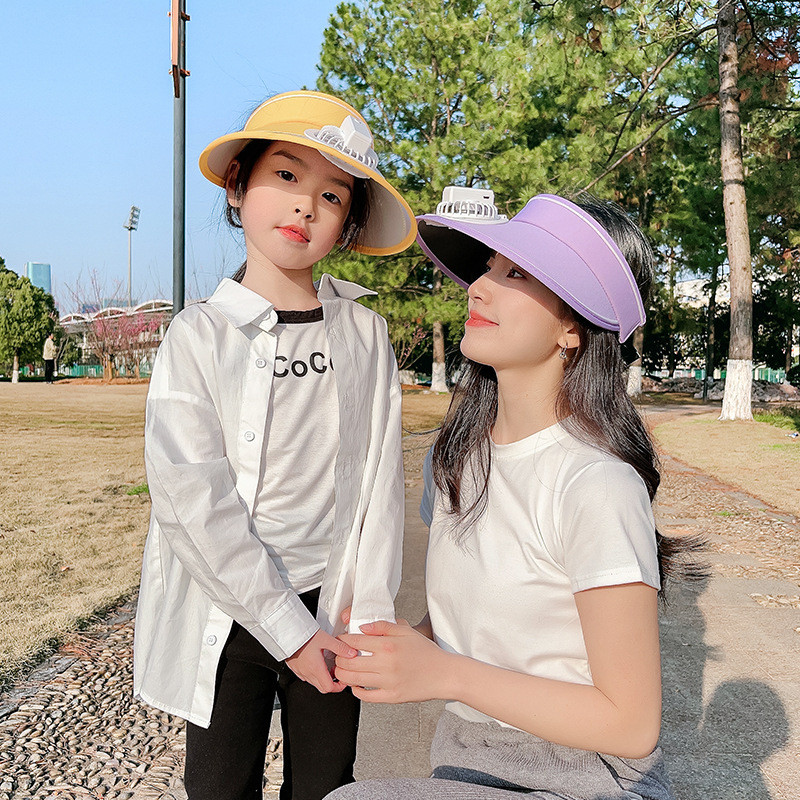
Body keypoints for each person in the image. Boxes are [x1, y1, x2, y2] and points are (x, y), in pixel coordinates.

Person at [327, 190, 699, 800]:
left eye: (516, 273)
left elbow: (630, 724)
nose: (477, 287)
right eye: (488, 268)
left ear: (573, 326)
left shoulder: (595, 485)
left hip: (587, 776)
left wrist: (446, 674)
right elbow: (473, 620)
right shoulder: (457, 460)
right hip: (466, 755)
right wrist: (400, 646)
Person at [133, 90, 417, 800]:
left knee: (328, 783)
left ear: (348, 221)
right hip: (229, 612)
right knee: (220, 784)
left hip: (333, 608)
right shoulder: (198, 338)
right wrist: (286, 628)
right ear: (238, 186)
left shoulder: (362, 335)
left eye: (332, 194)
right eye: (286, 177)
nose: (305, 207)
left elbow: (381, 480)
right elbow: (190, 496)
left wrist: (371, 612)